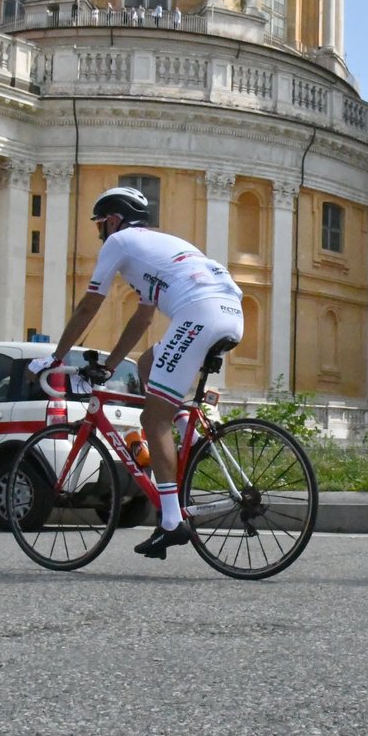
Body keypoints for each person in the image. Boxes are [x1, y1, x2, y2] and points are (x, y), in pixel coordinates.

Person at [32, 187, 244, 559]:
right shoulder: (159, 246)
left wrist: (56, 357)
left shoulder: (120, 242)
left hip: (200, 313)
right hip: (230, 312)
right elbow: (142, 318)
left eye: (101, 225)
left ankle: (171, 522)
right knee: (147, 365)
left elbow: (88, 307)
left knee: (152, 417)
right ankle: (189, 431)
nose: (101, 233)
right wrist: (112, 366)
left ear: (112, 220)